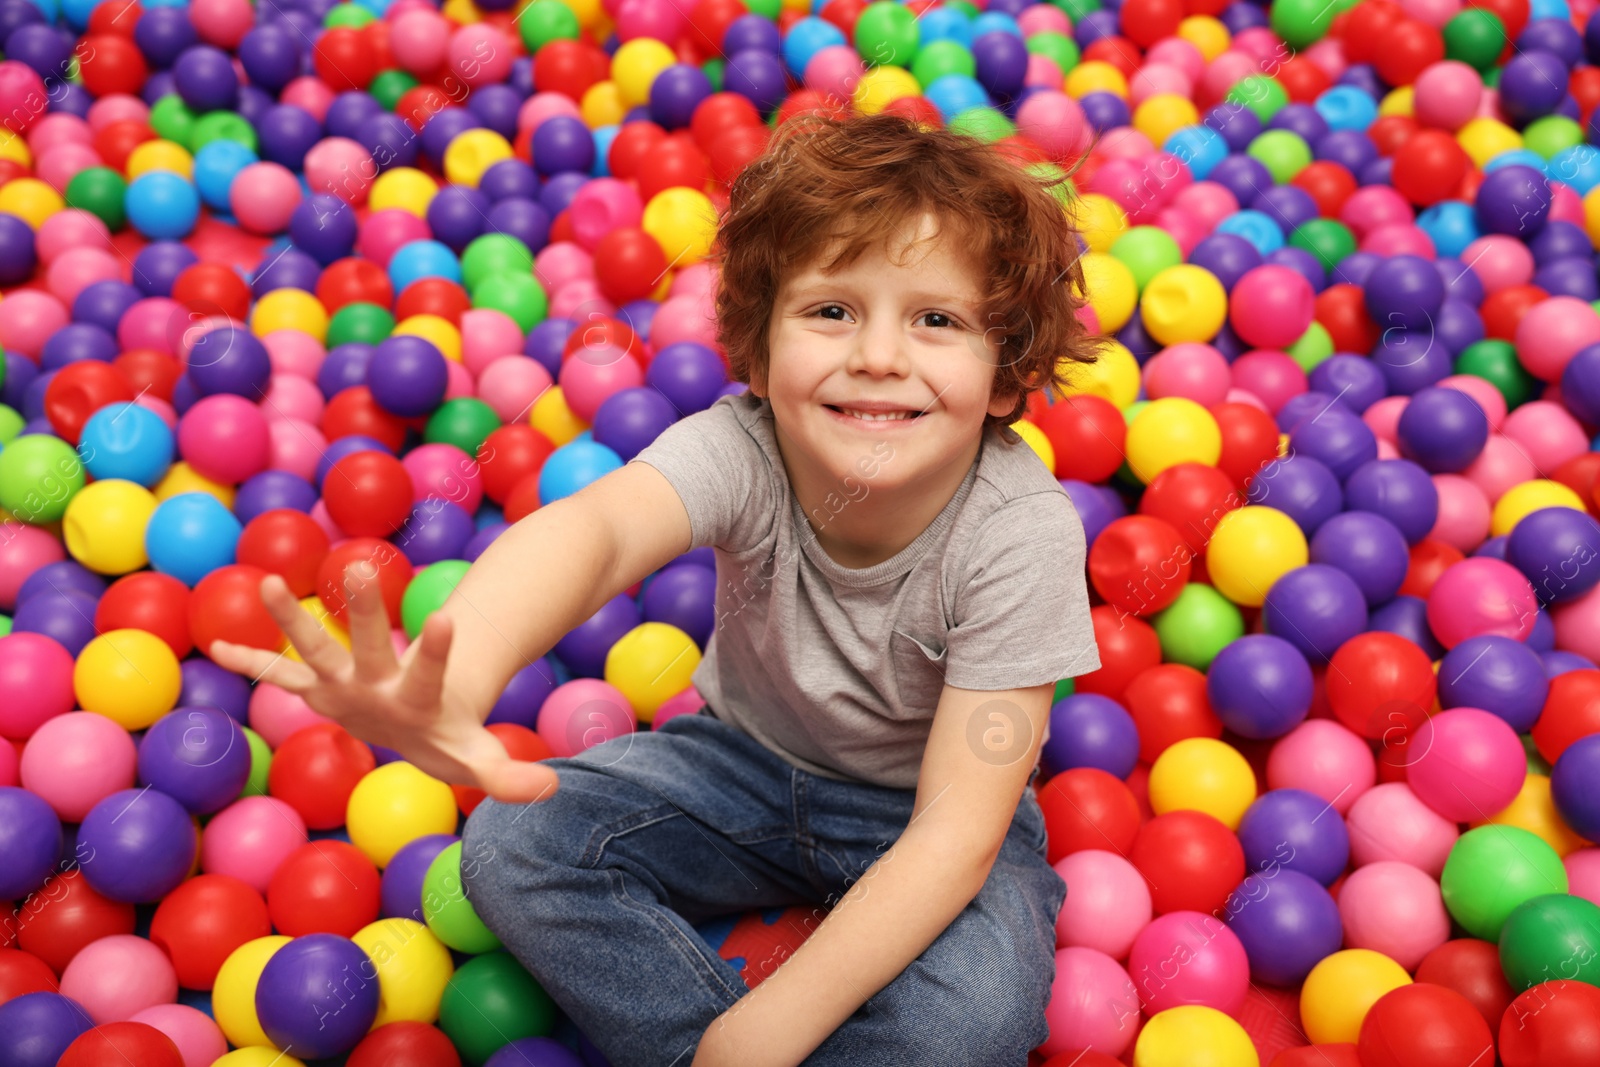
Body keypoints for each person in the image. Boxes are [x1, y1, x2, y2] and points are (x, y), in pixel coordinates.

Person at [212, 109, 1103, 1067]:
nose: (878, 355)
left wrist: (770, 1027)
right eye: (833, 311)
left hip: (928, 816)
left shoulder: (1019, 532)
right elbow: (595, 534)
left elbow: (956, 835)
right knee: (515, 847)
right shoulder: (745, 448)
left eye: (936, 319)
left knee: (972, 1024)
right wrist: (457, 676)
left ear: (1007, 376)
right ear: (757, 355)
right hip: (742, 765)